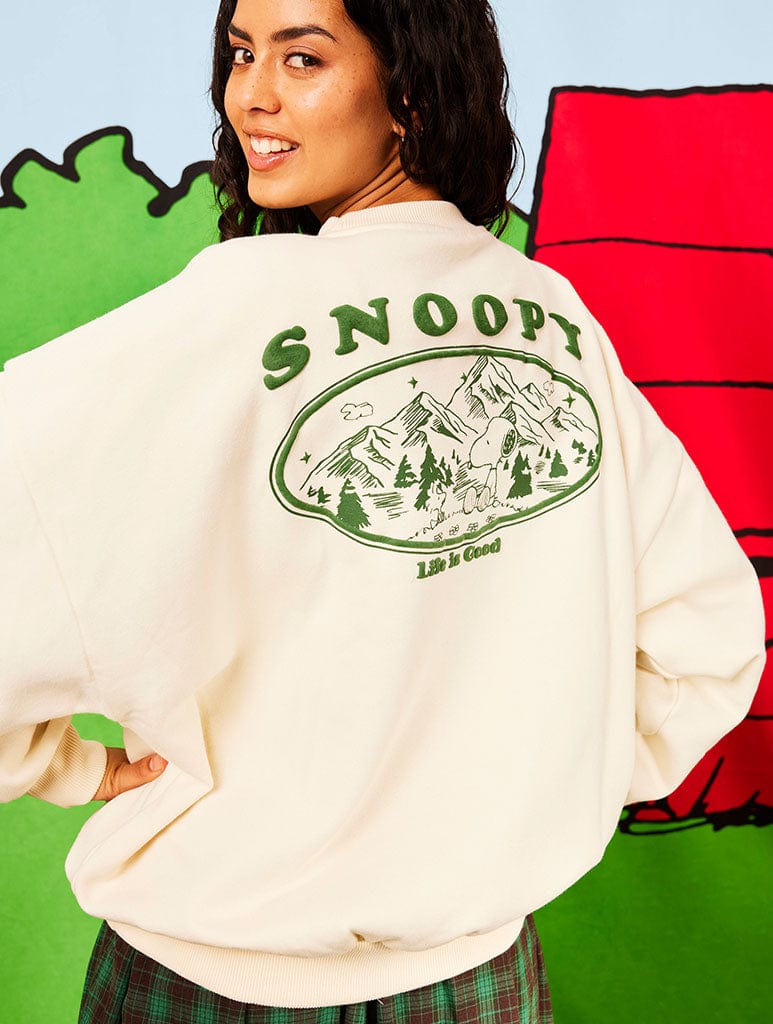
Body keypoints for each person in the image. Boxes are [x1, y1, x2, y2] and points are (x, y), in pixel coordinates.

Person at [0, 0, 765, 1021]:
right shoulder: (553, 318)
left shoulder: (214, 321)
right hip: (477, 981)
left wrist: (69, 765)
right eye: (241, 54)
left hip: (208, 975)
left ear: (410, 89)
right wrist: (528, 780)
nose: (249, 96)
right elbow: (711, 637)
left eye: (302, 58)